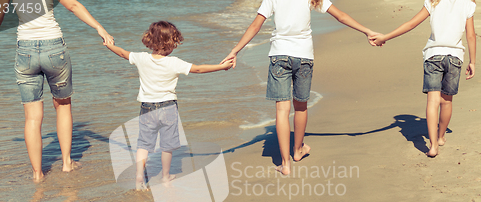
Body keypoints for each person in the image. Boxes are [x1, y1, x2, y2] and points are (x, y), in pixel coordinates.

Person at [221, 0, 381, 175]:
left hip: (279, 55)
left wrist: (234, 51)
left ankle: (285, 164)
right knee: (301, 106)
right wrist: (367, 31)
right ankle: (297, 151)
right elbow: (340, 16)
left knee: (282, 110)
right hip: (304, 56)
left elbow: (255, 26)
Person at [0, 0, 114, 181]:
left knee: (32, 117)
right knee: (63, 105)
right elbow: (73, 6)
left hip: (25, 51)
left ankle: (37, 174)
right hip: (54, 48)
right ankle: (67, 164)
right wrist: (100, 28)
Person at [105, 21, 233, 191]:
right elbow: (199, 69)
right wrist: (221, 67)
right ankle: (165, 177)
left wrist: (109, 45)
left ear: (150, 40)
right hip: (168, 107)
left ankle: (138, 177)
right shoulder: (174, 62)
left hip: (147, 107)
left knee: (144, 144)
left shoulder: (141, 58)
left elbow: (122, 53)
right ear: (170, 43)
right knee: (167, 145)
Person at [372, 0, 476, 157]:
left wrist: (385, 37)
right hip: (454, 57)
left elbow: (411, 24)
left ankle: (433, 147)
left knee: (433, 101)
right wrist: (473, 62)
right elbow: (471, 35)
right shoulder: (468, 4)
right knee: (447, 101)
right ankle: (441, 137)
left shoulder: (433, 2)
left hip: (433, 55)